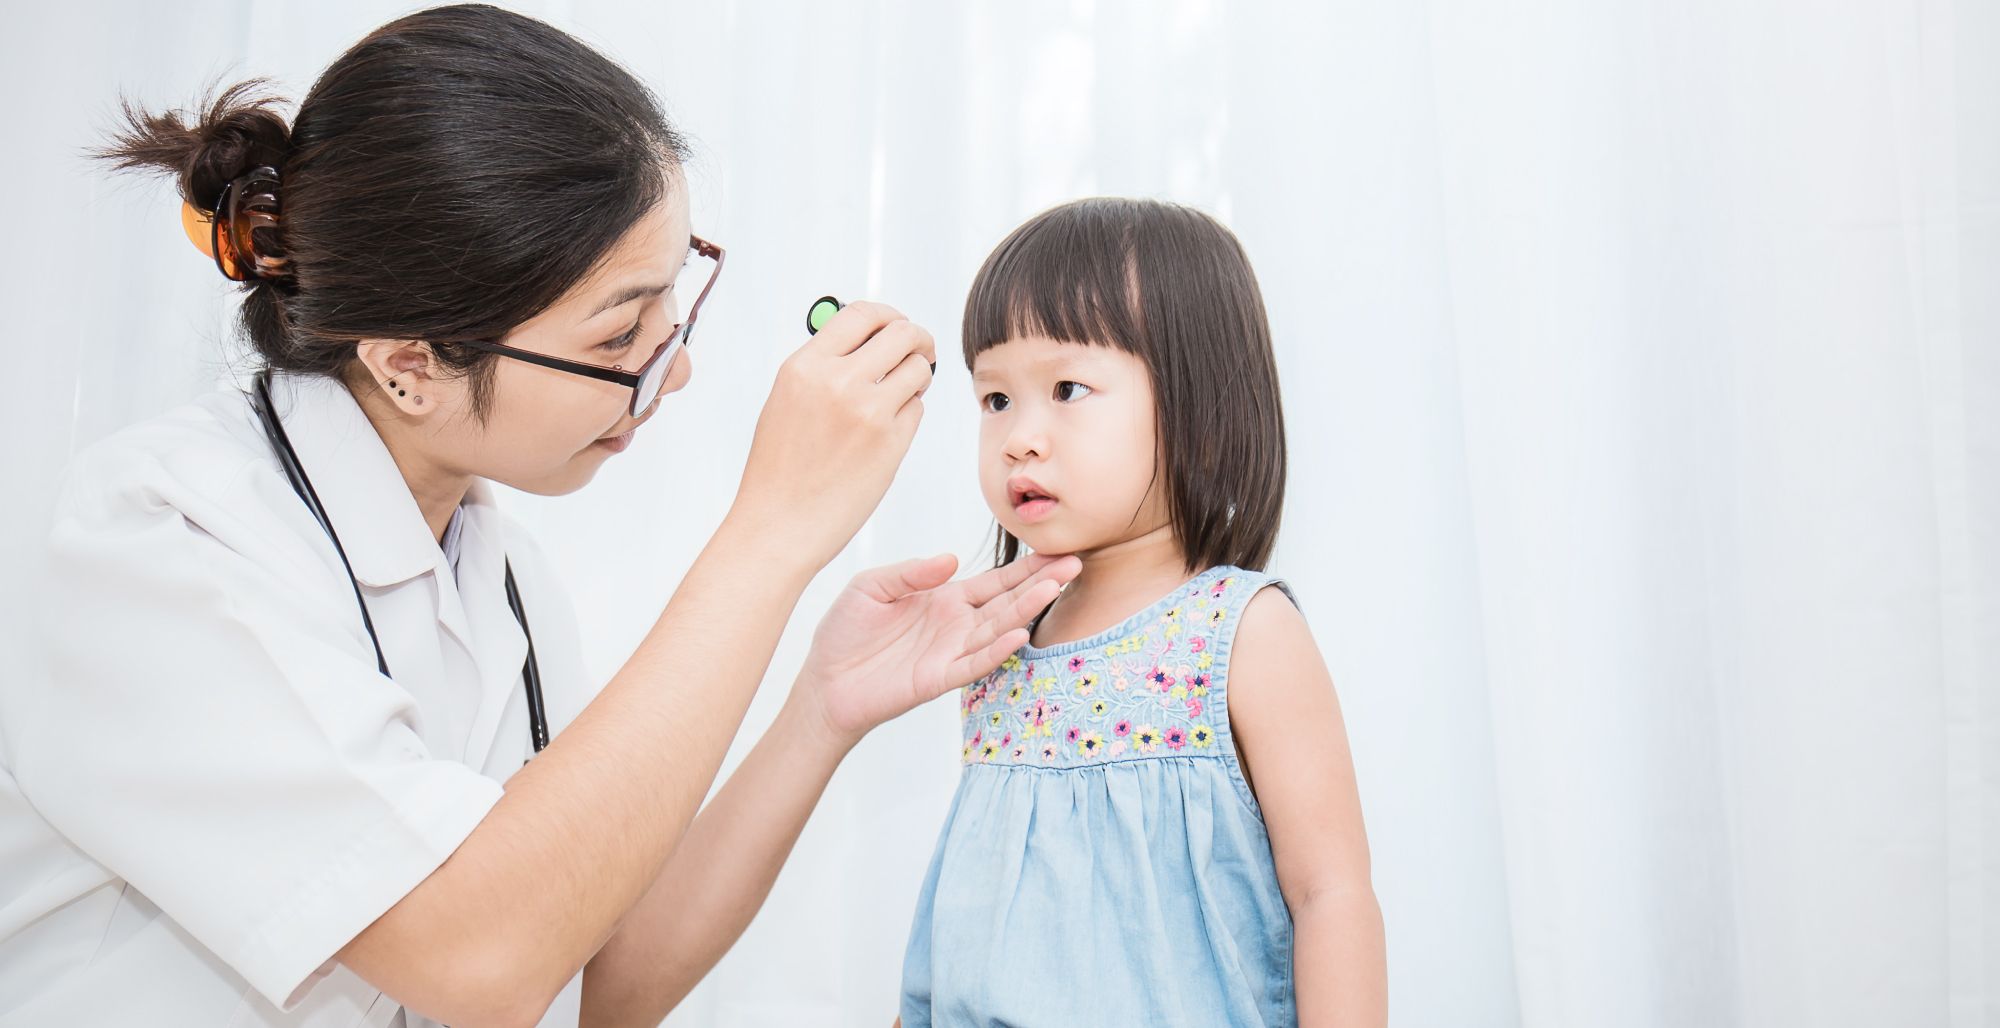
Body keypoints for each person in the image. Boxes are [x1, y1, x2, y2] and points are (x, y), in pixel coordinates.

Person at [0, 6, 1077, 1026]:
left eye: (673, 302)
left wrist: (820, 711)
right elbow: (485, 956)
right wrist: (771, 531)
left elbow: (594, 976)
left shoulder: (499, 578)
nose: (674, 368)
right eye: (619, 336)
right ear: (410, 364)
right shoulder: (160, 540)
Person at [897, 198, 1387, 1025]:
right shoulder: (1001, 640)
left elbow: (1329, 893)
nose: (1018, 437)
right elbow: (966, 907)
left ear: (1201, 408)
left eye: (1067, 388)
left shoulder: (1240, 630)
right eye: (996, 399)